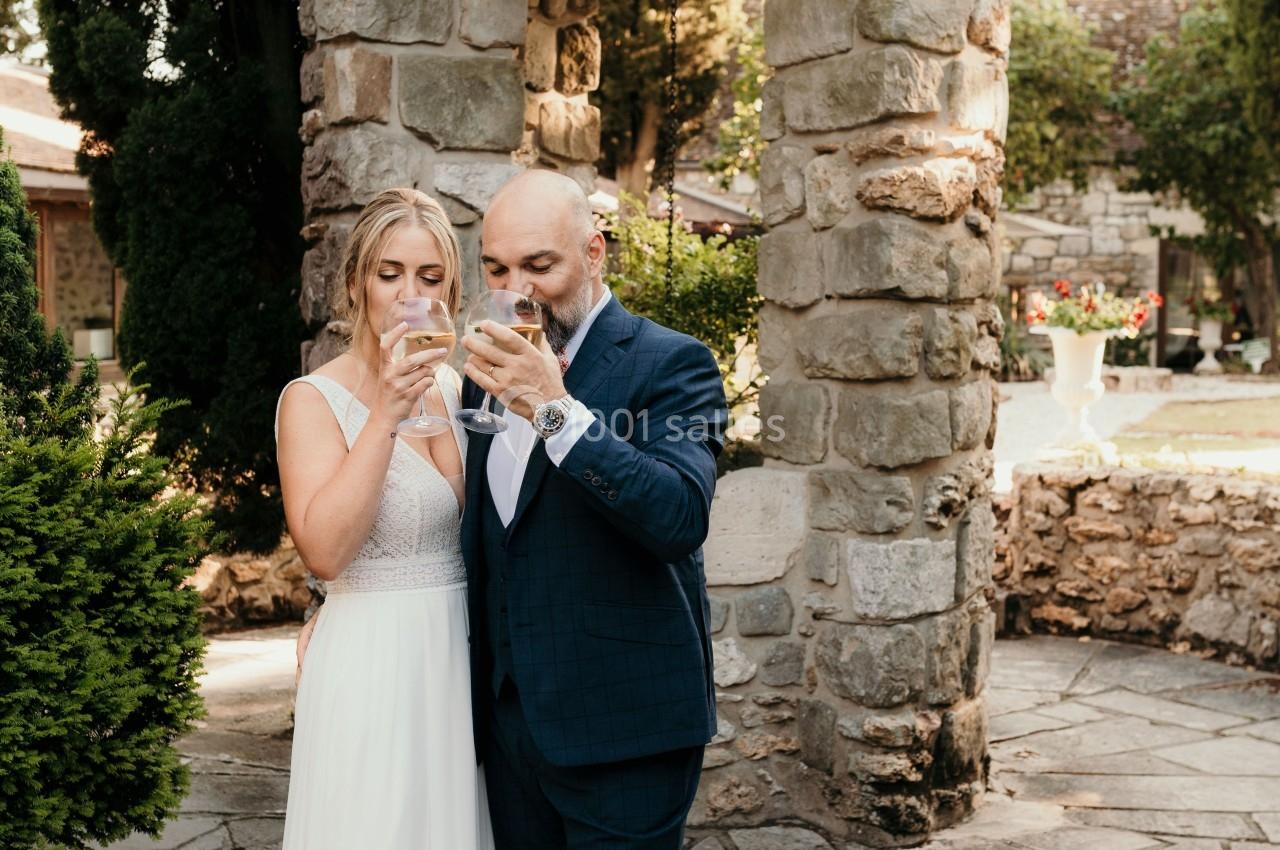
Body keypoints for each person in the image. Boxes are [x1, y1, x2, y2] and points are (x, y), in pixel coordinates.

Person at [458, 169, 727, 849]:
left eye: (539, 265)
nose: (517, 290)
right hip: (511, 729)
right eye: (497, 268)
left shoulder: (673, 363)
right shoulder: (482, 377)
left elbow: (678, 516)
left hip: (627, 731)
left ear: (594, 252)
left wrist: (554, 410)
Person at [274, 188, 494, 849]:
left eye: (429, 276)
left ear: (450, 292)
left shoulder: (458, 390)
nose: (409, 295)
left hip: (457, 664)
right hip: (373, 663)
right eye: (389, 273)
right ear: (355, 284)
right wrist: (386, 414)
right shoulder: (312, 400)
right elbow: (324, 553)